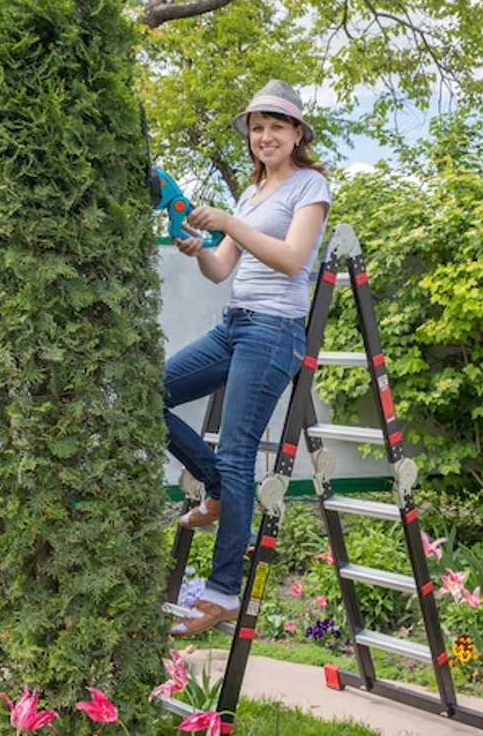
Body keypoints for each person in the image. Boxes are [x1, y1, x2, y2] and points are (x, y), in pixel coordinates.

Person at [165, 80, 331, 637]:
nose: (265, 137)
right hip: (235, 325)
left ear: (296, 134)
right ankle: (215, 489)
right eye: (257, 128)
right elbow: (222, 270)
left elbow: (290, 260)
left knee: (238, 455)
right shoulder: (251, 195)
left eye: (276, 127)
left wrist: (230, 225)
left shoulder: (309, 186)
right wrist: (198, 252)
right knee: (148, 395)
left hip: (274, 332)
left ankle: (222, 593)